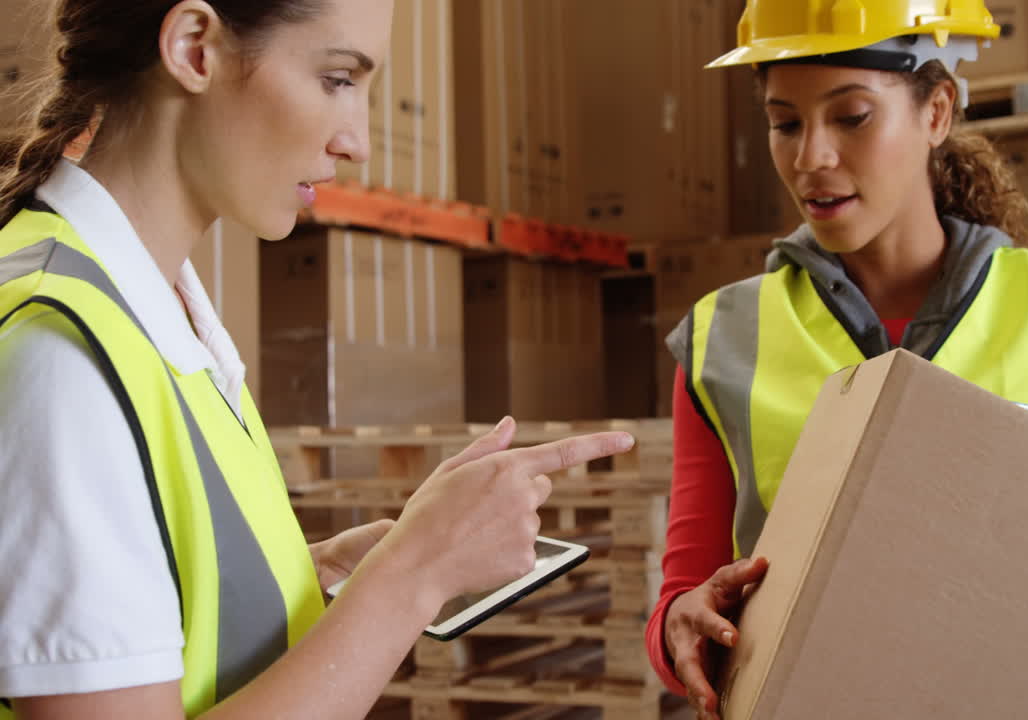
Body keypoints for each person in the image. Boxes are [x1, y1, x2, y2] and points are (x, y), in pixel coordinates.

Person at [0, 1, 635, 718]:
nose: (358, 142)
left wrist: (307, 578)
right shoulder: (65, 359)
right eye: (338, 79)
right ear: (193, 49)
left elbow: (152, 622)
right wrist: (409, 578)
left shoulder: (150, 310)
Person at [645, 2, 1028, 718]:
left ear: (936, 111)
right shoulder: (724, 338)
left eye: (851, 117)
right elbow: (682, 603)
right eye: (785, 122)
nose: (810, 157)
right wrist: (681, 630)